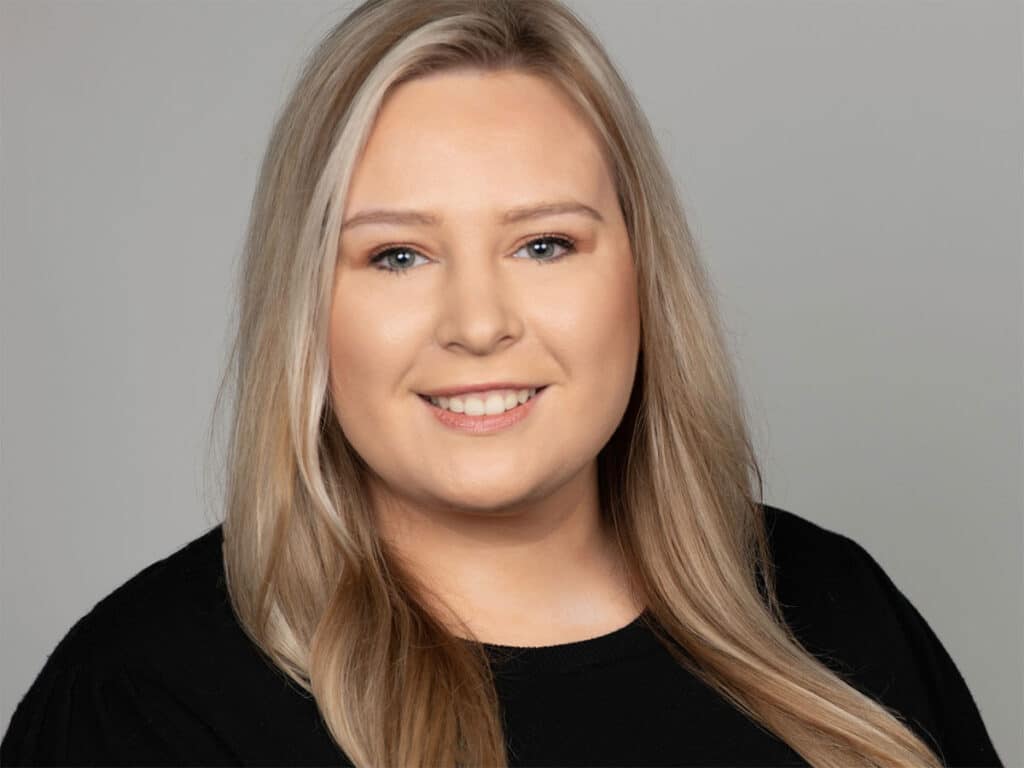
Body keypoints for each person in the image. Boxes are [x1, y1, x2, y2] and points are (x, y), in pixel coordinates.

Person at [1, 0, 1004, 766]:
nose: (479, 324)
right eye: (397, 256)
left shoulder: (837, 611)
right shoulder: (143, 703)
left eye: (544, 243)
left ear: (639, 278)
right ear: (309, 307)